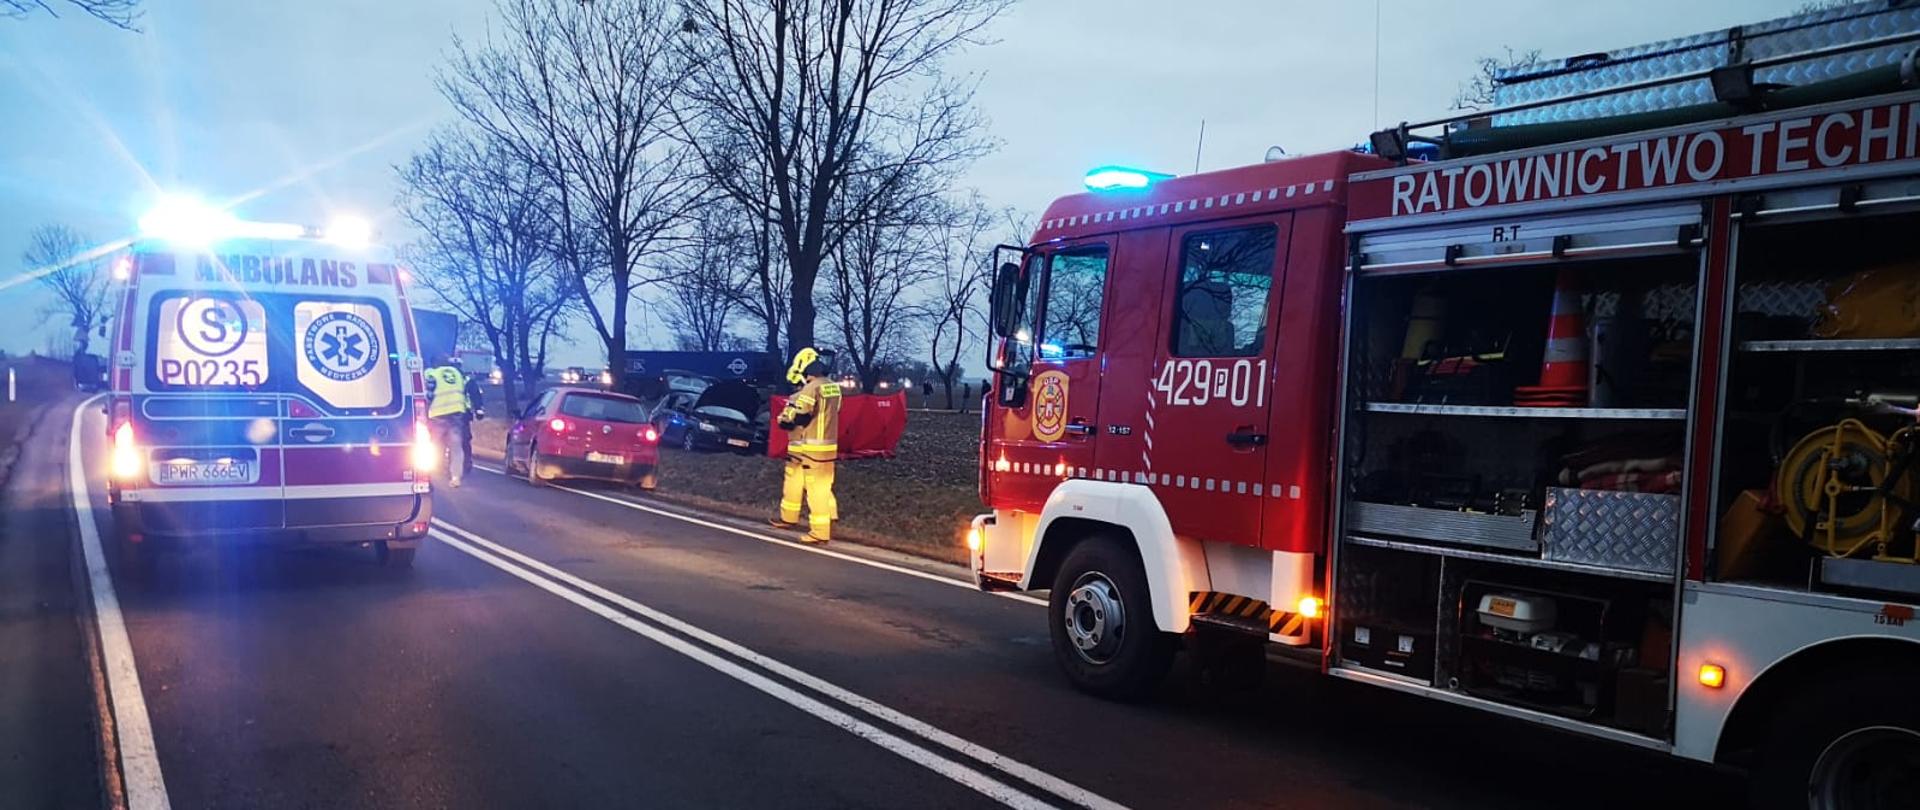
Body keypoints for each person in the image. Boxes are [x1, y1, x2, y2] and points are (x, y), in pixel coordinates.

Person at [770, 347, 841, 544]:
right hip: (828, 446)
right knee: (823, 485)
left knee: (815, 489)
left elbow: (799, 418)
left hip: (810, 447)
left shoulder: (809, 389)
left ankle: (819, 532)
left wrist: (786, 417)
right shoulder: (833, 387)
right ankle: (829, 518)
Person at [424, 355, 472, 488]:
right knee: (456, 446)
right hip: (456, 413)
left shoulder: (431, 373)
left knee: (433, 445)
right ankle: (456, 477)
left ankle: (428, 474)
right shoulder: (457, 374)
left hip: (438, 414)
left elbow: (428, 394)